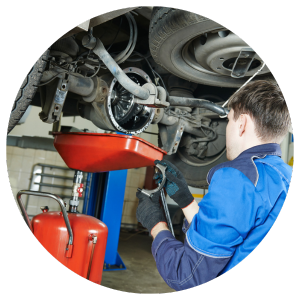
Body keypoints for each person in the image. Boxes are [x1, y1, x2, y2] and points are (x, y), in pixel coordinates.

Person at [136, 80, 292, 291]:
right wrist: (186, 201)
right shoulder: (284, 176)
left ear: (242, 124)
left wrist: (156, 224)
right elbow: (234, 233)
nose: (226, 128)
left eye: (228, 120)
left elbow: (188, 274)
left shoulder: (238, 179)